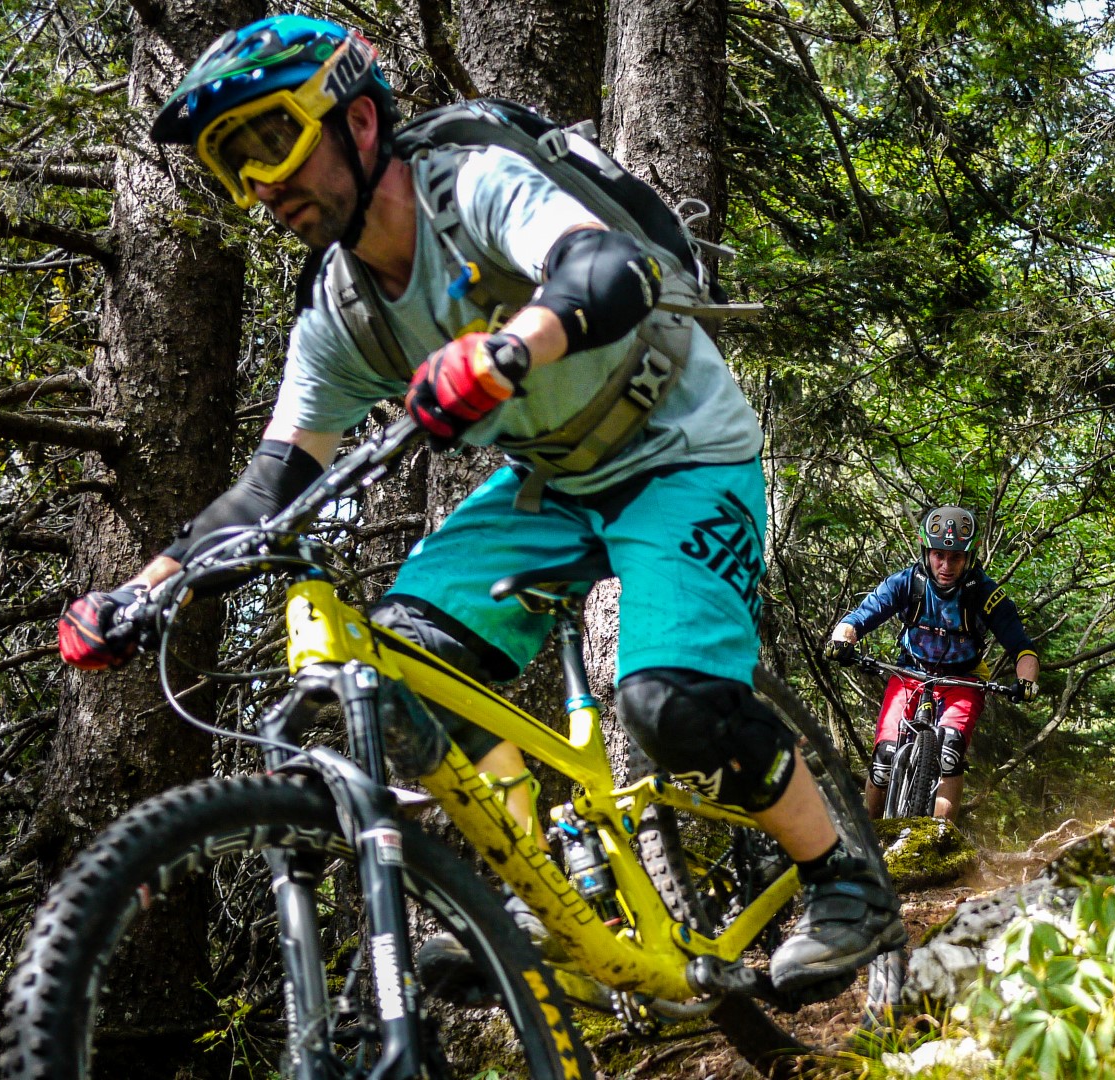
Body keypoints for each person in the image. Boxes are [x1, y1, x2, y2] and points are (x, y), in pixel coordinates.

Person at [52, 15, 898, 998]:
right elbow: (270, 484)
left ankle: (839, 878)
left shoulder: (469, 188)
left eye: (270, 143)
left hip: (680, 452)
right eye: (230, 165)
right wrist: (142, 590)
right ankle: (550, 906)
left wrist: (509, 349)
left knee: (672, 704)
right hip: (548, 481)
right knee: (408, 658)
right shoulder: (338, 307)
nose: (259, 186)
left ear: (359, 123)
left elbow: (605, 269)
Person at [824, 505, 1042, 820]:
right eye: (939, 555)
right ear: (926, 551)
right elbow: (858, 618)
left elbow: (1022, 649)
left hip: (963, 681)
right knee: (884, 758)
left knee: (950, 751)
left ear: (970, 557)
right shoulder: (905, 583)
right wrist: (843, 640)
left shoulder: (986, 594)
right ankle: (866, 835)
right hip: (909, 674)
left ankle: (941, 839)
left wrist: (1026, 682)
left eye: (955, 558)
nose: (946, 565)